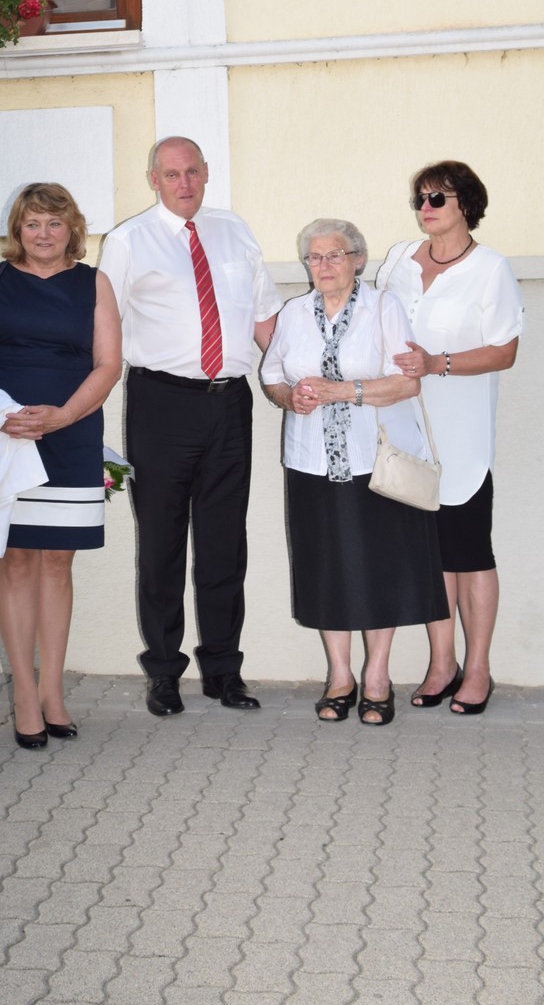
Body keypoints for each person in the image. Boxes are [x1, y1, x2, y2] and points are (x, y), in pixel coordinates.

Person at [99, 136, 282, 715]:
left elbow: (265, 319)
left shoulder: (234, 230)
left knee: (225, 544)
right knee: (161, 544)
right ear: (153, 179)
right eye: (172, 174)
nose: (184, 183)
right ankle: (164, 673)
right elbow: (103, 326)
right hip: (161, 404)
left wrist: (299, 377)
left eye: (193, 172)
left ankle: (224, 672)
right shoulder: (127, 241)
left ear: (206, 173)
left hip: (229, 405)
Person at [261, 220, 447, 726]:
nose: (323, 266)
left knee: (380, 568)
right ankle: (340, 677)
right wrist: (290, 397)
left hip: (374, 461)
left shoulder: (384, 308)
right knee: (325, 568)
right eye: (314, 257)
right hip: (311, 462)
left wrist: (341, 391)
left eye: (334, 255)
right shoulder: (293, 313)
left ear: (358, 260)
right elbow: (271, 375)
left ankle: (377, 677)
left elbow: (408, 384)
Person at [0, 183, 122, 747]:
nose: (43, 233)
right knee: (16, 560)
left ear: (71, 227)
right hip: (5, 436)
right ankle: (24, 694)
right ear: (18, 230)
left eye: (54, 222)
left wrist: (63, 417)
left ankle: (53, 692)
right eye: (32, 223)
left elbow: (108, 364)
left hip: (71, 434)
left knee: (57, 563)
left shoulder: (94, 283)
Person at [377, 161, 522, 715]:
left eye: (437, 197)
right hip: (404, 427)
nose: (426, 207)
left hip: (461, 432)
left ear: (466, 203)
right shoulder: (399, 259)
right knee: (430, 552)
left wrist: (437, 362)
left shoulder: (490, 268)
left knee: (470, 551)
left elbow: (505, 351)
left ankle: (478, 668)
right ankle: (443, 664)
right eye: (420, 198)